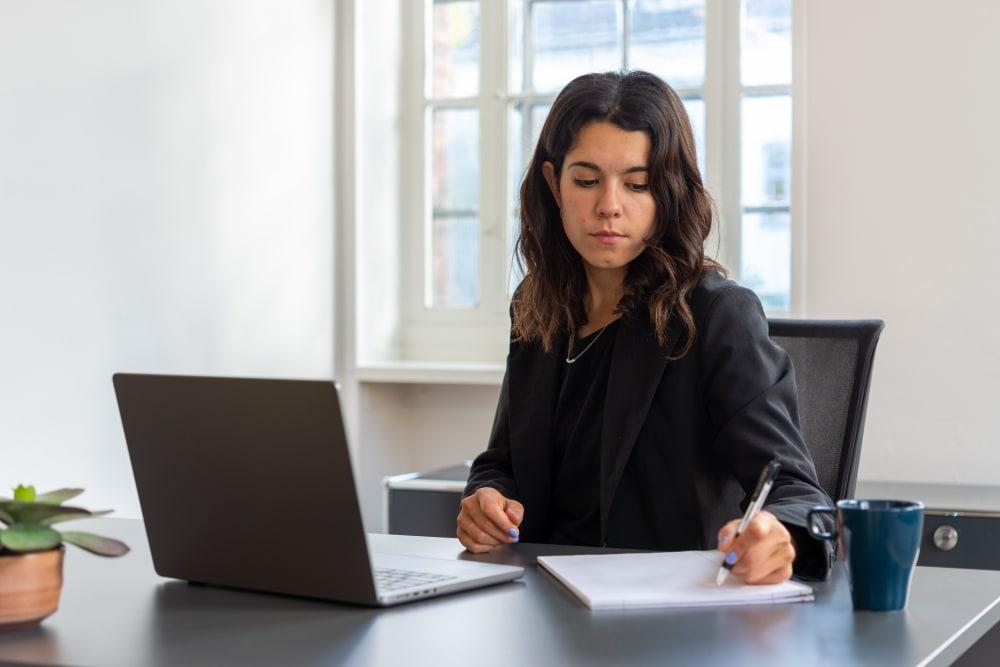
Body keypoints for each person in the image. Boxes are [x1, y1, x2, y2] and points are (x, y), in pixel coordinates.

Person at [457, 70, 832, 584]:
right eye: (586, 181)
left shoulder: (716, 315)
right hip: (540, 599)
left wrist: (778, 533)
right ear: (553, 183)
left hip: (663, 609)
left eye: (638, 184)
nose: (609, 206)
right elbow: (503, 461)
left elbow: (798, 493)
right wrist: (487, 499)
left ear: (669, 192)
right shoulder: (537, 306)